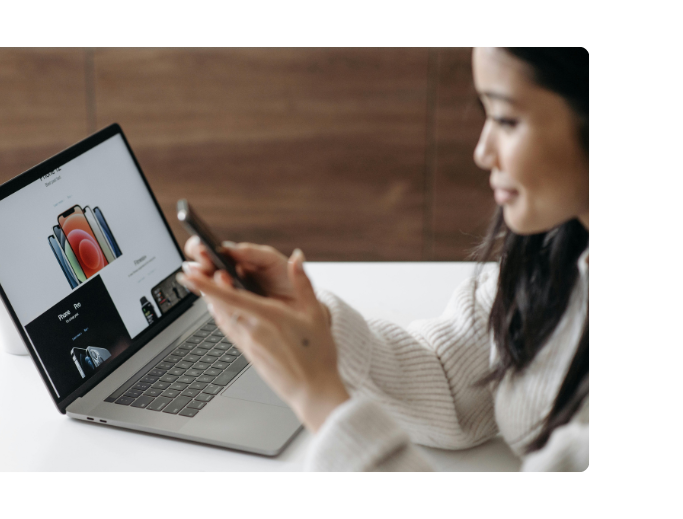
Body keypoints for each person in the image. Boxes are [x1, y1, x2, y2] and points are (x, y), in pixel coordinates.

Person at [176, 46, 589, 472]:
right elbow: (451, 385)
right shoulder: (558, 251)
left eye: (506, 119)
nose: (482, 152)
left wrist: (318, 397)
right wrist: (318, 326)